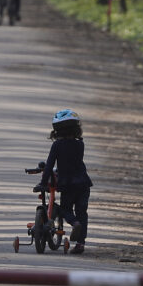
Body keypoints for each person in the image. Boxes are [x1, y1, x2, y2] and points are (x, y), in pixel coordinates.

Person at [36, 109, 93, 254]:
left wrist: (43, 183)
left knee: (65, 209)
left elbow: (49, 166)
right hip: (83, 184)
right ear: (76, 128)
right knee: (82, 212)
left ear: (56, 130)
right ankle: (80, 243)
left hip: (68, 185)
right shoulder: (80, 144)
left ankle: (74, 223)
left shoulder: (57, 145)